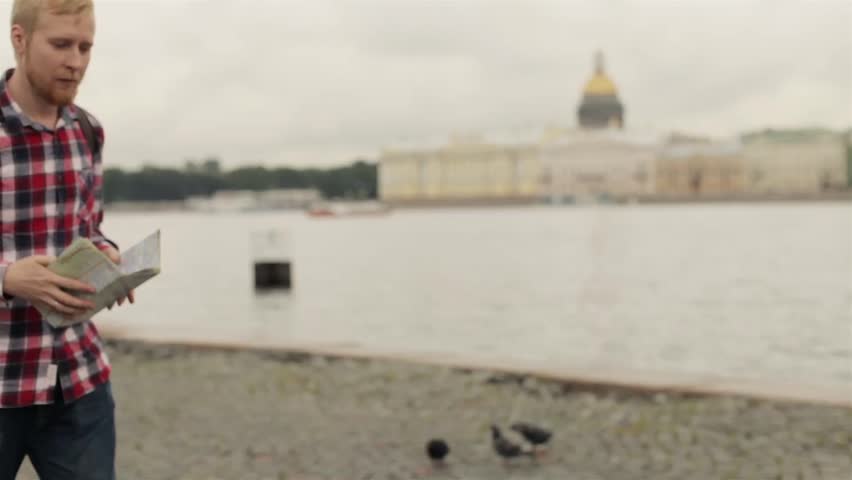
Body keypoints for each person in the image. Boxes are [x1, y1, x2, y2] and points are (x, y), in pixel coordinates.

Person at [0, 1, 131, 478]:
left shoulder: (88, 131)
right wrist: (8, 277)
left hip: (77, 380)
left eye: (84, 46)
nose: (75, 60)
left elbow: (88, 227)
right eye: (60, 45)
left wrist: (106, 254)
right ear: (20, 39)